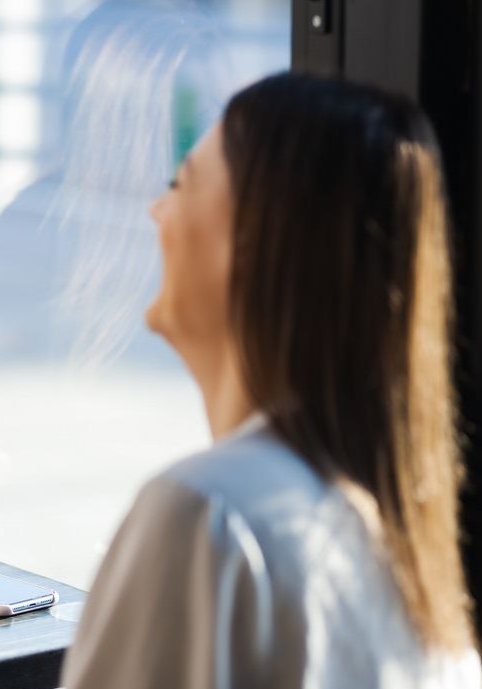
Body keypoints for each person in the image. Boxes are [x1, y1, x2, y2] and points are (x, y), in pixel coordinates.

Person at [61, 72, 480, 687]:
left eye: (179, 184)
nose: (156, 211)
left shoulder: (209, 516)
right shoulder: (406, 558)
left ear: (251, 241)